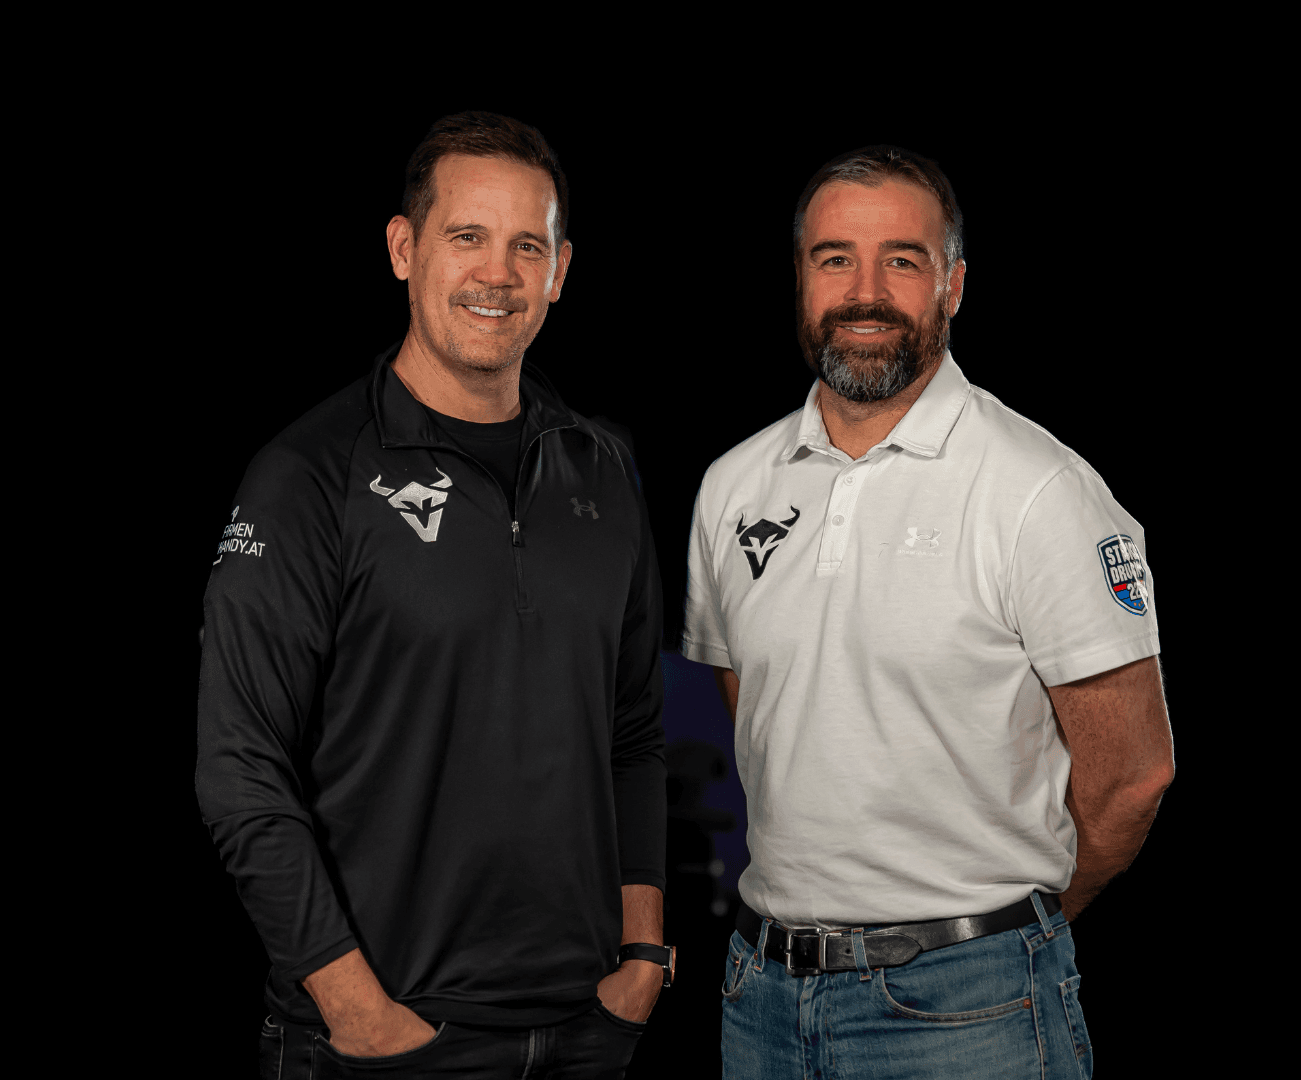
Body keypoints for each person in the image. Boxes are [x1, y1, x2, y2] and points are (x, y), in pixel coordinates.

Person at [197, 111, 674, 1080]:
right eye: (467, 237)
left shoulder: (600, 470)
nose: (498, 274)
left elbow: (633, 733)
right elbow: (240, 769)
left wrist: (642, 956)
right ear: (403, 249)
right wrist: (357, 1010)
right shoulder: (308, 477)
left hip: (584, 1032)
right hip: (385, 1042)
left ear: (560, 270)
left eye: (527, 246)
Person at [681, 145, 1175, 1078]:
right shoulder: (732, 487)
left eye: (901, 261)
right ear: (801, 278)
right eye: (835, 258)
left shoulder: (1038, 490)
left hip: (972, 1009)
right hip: (761, 1001)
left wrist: (1012, 929)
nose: (864, 292)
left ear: (953, 284)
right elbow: (759, 717)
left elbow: (1134, 774)